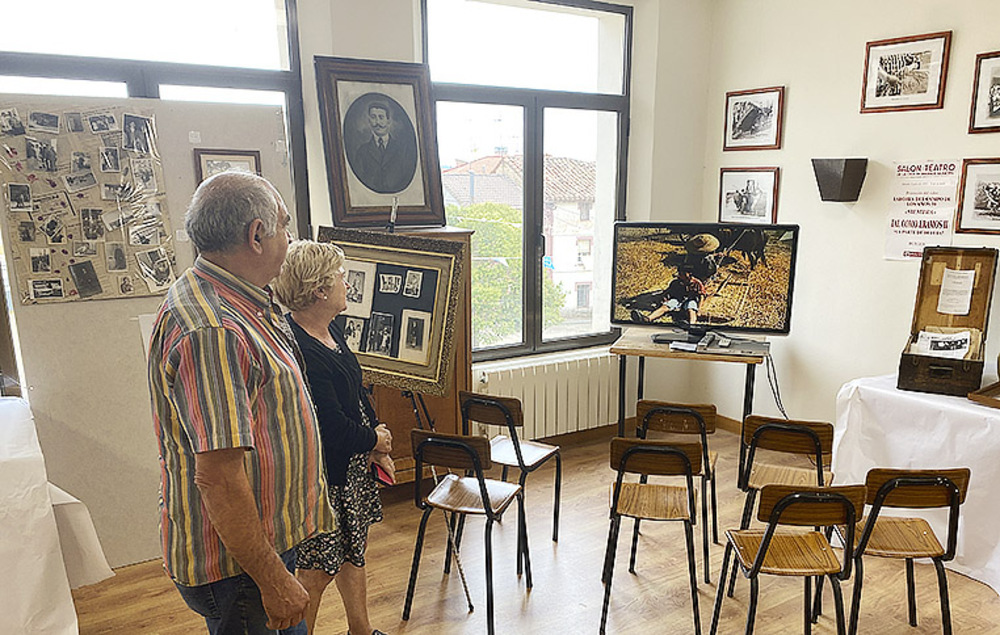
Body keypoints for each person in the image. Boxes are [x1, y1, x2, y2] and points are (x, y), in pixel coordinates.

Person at [147, 172, 336, 634]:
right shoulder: (214, 329)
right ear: (256, 235)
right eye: (285, 227)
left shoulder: (239, 299)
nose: (290, 240)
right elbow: (219, 477)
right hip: (242, 568)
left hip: (255, 551)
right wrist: (273, 579)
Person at [272, 240, 393, 635]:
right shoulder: (301, 348)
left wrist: (378, 438)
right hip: (325, 479)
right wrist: (373, 440)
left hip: (352, 468)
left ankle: (360, 630)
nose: (347, 283)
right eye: (340, 277)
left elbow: (356, 390)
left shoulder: (330, 329)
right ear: (320, 290)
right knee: (317, 570)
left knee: (352, 553)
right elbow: (332, 430)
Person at [350, 101, 417, 194]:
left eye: (381, 117)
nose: (377, 122)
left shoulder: (403, 150)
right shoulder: (362, 152)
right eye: (373, 117)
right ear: (369, 121)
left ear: (388, 121)